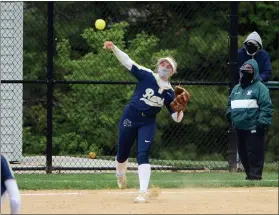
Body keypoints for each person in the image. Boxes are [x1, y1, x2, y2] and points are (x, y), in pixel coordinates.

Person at [103, 41, 190, 203]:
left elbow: (176, 119)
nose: (164, 66)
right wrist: (114, 48)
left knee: (143, 155)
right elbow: (128, 62)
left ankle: (142, 192)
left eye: (168, 66)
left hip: (147, 122)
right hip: (130, 116)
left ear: (172, 72)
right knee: (122, 154)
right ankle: (120, 174)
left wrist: (180, 109)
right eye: (162, 64)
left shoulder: (171, 93)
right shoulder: (147, 75)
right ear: (158, 67)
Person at [226, 59, 273, 180]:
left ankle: (256, 175)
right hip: (240, 128)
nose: (245, 74)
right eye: (243, 71)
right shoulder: (236, 89)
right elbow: (229, 105)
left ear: (254, 72)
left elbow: (266, 106)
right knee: (243, 153)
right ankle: (249, 175)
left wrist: (261, 123)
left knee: (255, 153)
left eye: (248, 71)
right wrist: (231, 117)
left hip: (254, 127)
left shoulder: (260, 88)